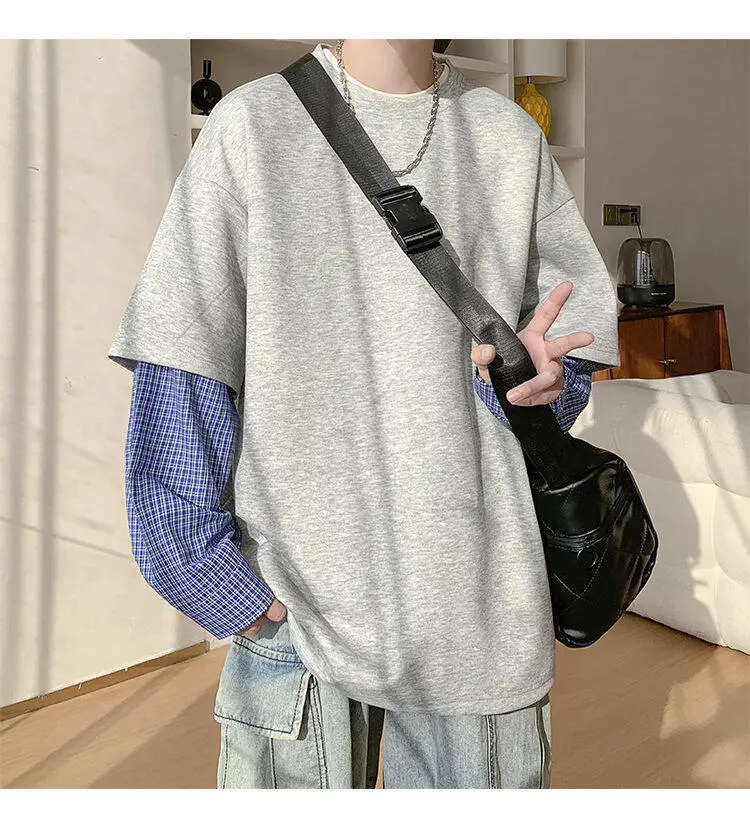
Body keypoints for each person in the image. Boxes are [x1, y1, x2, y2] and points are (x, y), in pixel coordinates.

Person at [108, 39, 620, 789]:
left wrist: (542, 382)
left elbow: (564, 343)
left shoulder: (509, 137)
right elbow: (182, 356)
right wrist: (202, 572)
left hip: (477, 598)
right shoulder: (252, 126)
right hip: (298, 605)